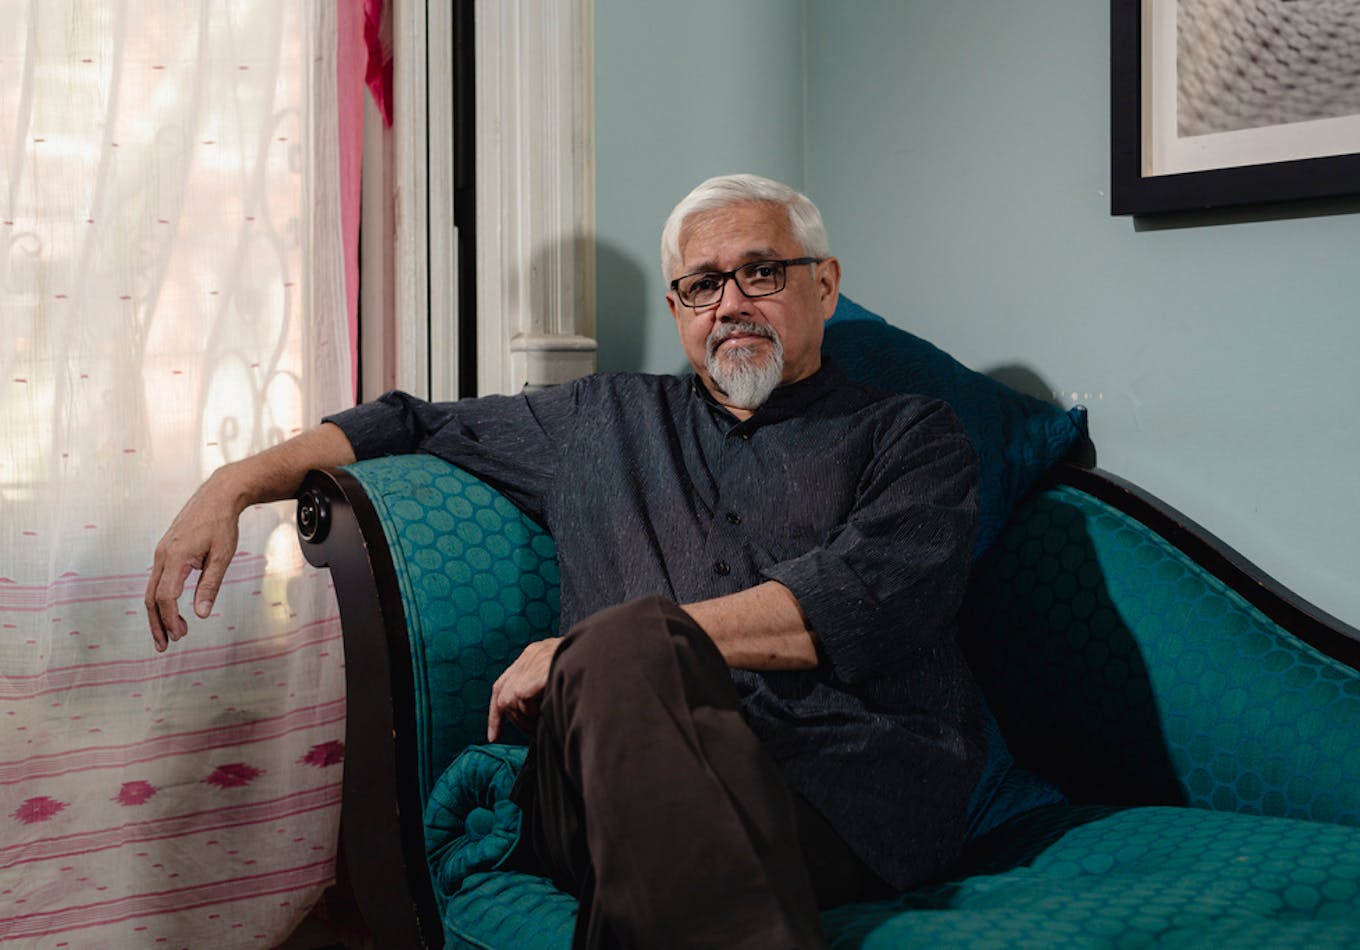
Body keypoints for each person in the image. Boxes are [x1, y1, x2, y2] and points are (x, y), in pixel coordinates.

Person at [147, 174, 985, 948]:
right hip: (595, 772)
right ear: (678, 307)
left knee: (624, 648)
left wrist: (598, 650)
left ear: (825, 285)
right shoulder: (601, 421)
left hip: (838, 788)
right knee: (623, 665)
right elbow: (408, 422)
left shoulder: (914, 435)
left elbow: (862, 598)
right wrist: (234, 482)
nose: (730, 304)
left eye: (761, 273)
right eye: (702, 285)